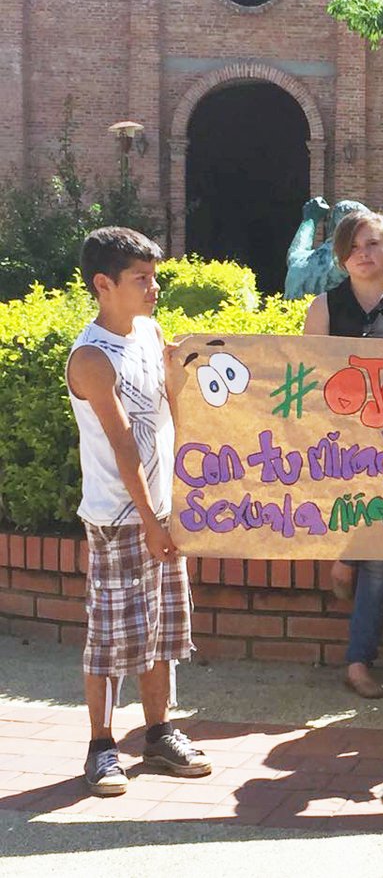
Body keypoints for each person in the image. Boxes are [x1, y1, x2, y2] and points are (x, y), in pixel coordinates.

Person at [67, 227, 212, 796]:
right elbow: (124, 444)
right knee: (110, 635)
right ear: (104, 285)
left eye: (155, 277)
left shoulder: (150, 332)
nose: (154, 289)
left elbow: (174, 408)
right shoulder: (90, 358)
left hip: (161, 511)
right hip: (119, 518)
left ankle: (158, 733)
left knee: (161, 629)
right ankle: (101, 746)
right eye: (141, 279)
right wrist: (152, 523)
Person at [302, 209, 383, 699]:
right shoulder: (324, 308)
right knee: (377, 551)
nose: (364, 254)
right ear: (341, 255)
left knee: (378, 557)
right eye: (354, 246)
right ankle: (350, 567)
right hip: (338, 449)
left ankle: (357, 654)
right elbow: (307, 379)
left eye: (373, 243)